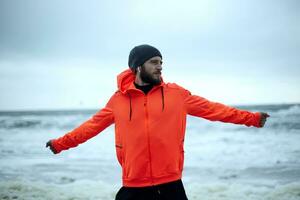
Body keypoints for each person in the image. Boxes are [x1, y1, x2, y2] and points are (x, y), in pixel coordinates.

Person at [46, 44, 270, 200]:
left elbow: (214, 110)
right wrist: (60, 143)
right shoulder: (118, 101)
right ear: (138, 67)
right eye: (154, 62)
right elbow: (91, 127)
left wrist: (251, 118)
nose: (160, 66)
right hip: (134, 183)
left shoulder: (177, 95)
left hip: (170, 181)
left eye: (161, 62)